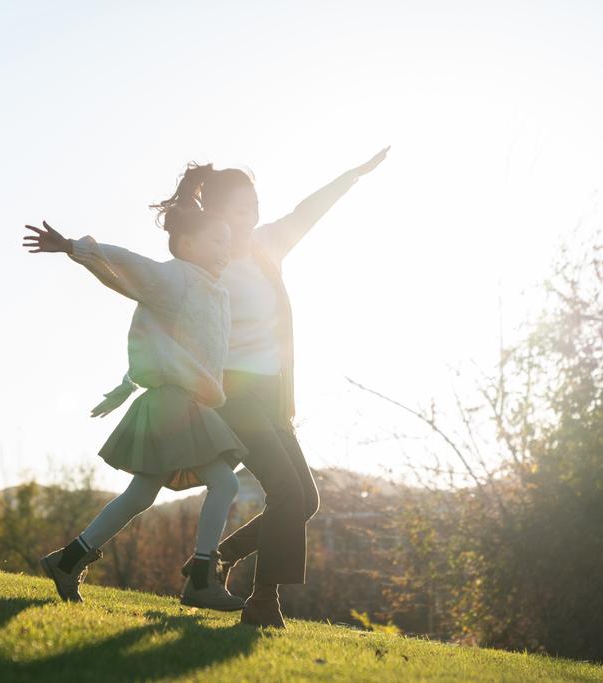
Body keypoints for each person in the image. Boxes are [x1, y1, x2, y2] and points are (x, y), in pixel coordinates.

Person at [94, 148, 390, 627]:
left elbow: (306, 212)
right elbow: (160, 313)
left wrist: (351, 176)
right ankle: (262, 603)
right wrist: (129, 381)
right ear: (216, 217)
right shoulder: (206, 263)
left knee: (306, 502)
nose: (251, 216)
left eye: (254, 206)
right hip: (232, 393)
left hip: (273, 396)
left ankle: (212, 561)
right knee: (286, 494)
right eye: (240, 210)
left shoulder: (267, 245)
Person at [21, 206, 248, 611]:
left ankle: (67, 560)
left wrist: (126, 385)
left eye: (229, 243)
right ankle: (199, 578)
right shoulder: (174, 277)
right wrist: (74, 247)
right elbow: (129, 265)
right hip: (175, 403)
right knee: (226, 483)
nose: (225, 250)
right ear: (187, 244)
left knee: (140, 495)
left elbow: (160, 344)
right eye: (217, 240)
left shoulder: (216, 293)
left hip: (182, 401)